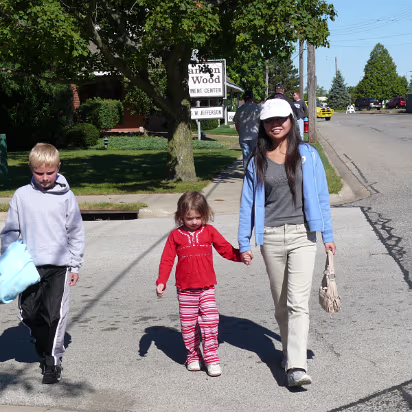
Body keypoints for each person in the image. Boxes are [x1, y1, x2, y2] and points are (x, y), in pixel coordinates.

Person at [237, 99, 336, 387]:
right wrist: (245, 241)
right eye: (270, 120)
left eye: (281, 118)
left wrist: (327, 236)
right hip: (270, 236)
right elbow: (246, 204)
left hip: (303, 235)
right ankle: (287, 351)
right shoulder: (257, 159)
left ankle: (296, 365)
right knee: (281, 304)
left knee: (297, 303)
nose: (276, 124)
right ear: (263, 126)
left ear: (291, 120)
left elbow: (321, 197)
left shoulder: (307, 154)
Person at [1, 143, 85, 384]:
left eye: (50, 172)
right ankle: (41, 341)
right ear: (31, 168)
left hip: (59, 266)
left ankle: (52, 360)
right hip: (28, 266)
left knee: (55, 315)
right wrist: (5, 259)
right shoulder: (21, 195)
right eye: (40, 173)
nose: (46, 178)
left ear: (58, 167)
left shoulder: (67, 197)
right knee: (27, 314)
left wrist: (75, 265)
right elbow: (10, 231)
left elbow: (76, 232)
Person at [156, 191, 247, 377]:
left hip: (206, 288)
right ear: (181, 216)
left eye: (199, 217)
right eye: (190, 218)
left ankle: (212, 357)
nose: (195, 221)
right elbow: (167, 260)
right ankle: (192, 356)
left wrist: (241, 256)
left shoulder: (209, 231)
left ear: (205, 215)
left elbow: (225, 250)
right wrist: (161, 281)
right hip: (185, 290)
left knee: (211, 321)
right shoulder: (175, 236)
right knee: (188, 326)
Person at [233, 90, 262, 168]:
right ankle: (255, 174)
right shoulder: (258, 109)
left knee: (246, 156)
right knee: (255, 156)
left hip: (243, 136)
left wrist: (240, 132)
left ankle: (247, 174)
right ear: (252, 98)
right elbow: (262, 123)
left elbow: (236, 124)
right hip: (255, 136)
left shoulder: (240, 109)